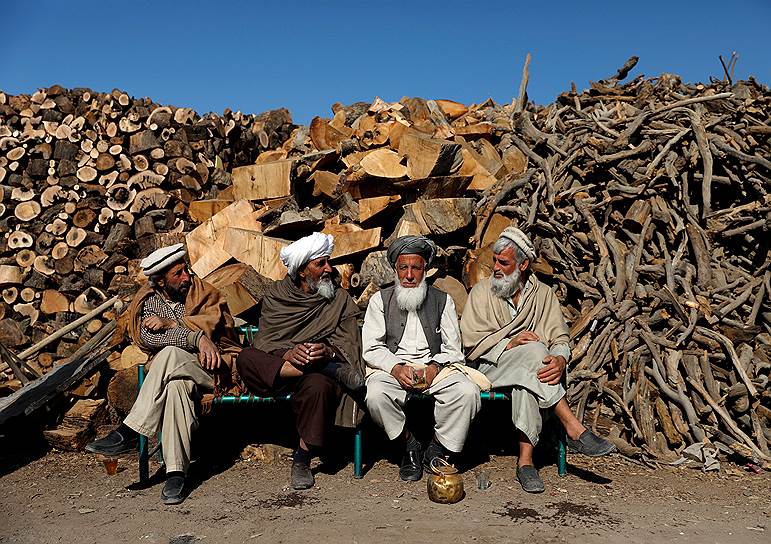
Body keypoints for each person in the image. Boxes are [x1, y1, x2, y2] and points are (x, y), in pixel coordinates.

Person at [460, 226, 615, 493]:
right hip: (491, 368)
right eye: (495, 260)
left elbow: (560, 338)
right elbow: (470, 342)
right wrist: (509, 343)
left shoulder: (542, 295)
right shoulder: (481, 292)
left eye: (504, 262)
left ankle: (526, 464)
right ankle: (573, 427)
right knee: (533, 353)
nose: (496, 267)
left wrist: (560, 360)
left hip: (531, 372)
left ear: (523, 265)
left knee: (530, 375)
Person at [86, 243, 241, 504]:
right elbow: (149, 338)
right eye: (177, 274)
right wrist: (195, 337)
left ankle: (131, 431)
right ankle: (176, 473)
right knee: (176, 387)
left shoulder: (202, 292)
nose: (186, 278)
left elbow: (217, 326)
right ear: (159, 281)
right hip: (173, 374)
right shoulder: (148, 302)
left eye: (186, 270)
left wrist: (173, 325)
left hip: (216, 369)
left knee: (169, 354)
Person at [236, 232, 365, 490]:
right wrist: (287, 354)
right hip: (280, 372)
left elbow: (350, 342)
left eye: (329, 262)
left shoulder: (338, 298)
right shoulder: (277, 295)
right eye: (321, 264)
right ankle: (324, 369)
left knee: (318, 386)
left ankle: (303, 458)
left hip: (315, 374)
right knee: (245, 357)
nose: (329, 268)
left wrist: (327, 352)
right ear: (303, 272)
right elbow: (265, 341)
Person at [363, 235, 481, 481]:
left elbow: (454, 349)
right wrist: (395, 368)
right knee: (375, 395)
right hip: (394, 370)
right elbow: (372, 348)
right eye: (403, 268)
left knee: (467, 392)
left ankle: (436, 448)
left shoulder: (442, 300)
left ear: (424, 270)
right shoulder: (380, 300)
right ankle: (410, 445)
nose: (409, 275)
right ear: (395, 269)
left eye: (415, 268)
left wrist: (434, 368)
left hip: (435, 370)